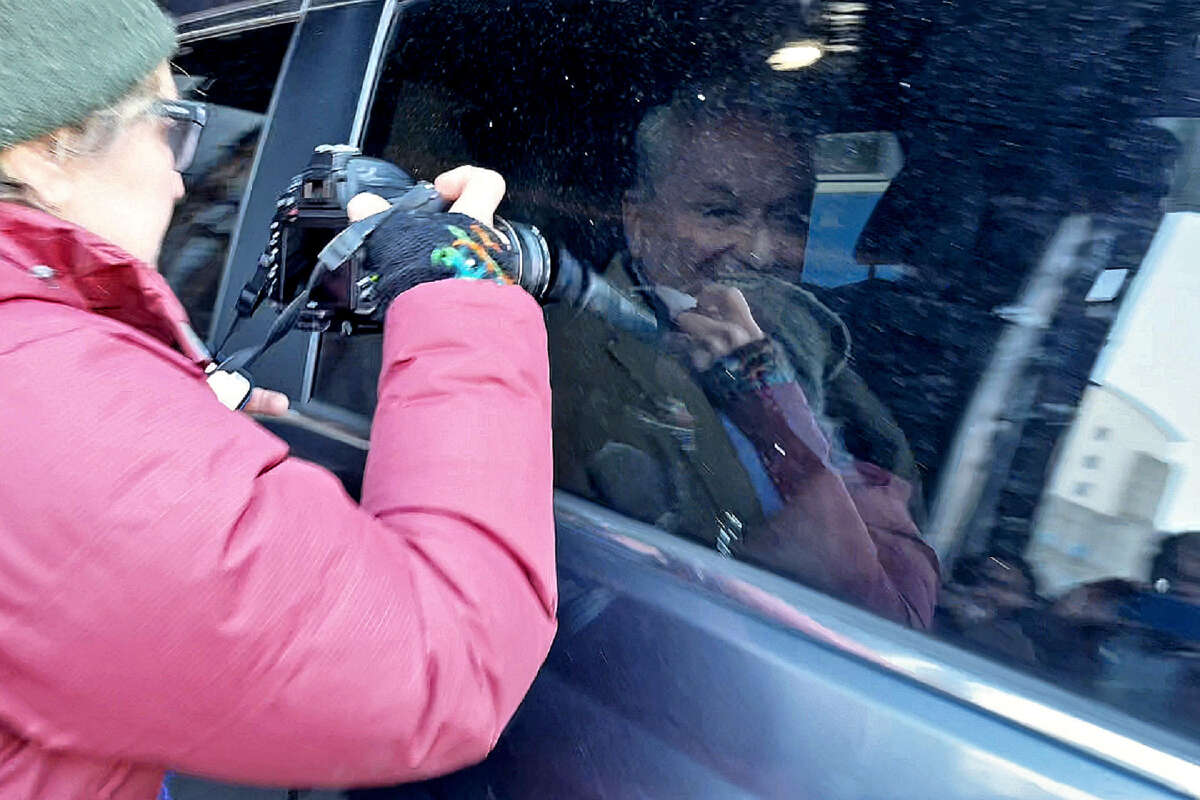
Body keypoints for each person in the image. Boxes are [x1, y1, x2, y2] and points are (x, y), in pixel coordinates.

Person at [0, 2, 556, 797]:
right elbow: (440, 666)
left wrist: (162, 428)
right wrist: (458, 291)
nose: (180, 171)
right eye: (169, 122)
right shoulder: (42, 403)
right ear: (44, 151)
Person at [547, 91, 938, 628]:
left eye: (783, 218)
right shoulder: (563, 359)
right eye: (719, 212)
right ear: (640, 223)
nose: (759, 249)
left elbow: (902, 537)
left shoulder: (807, 338)